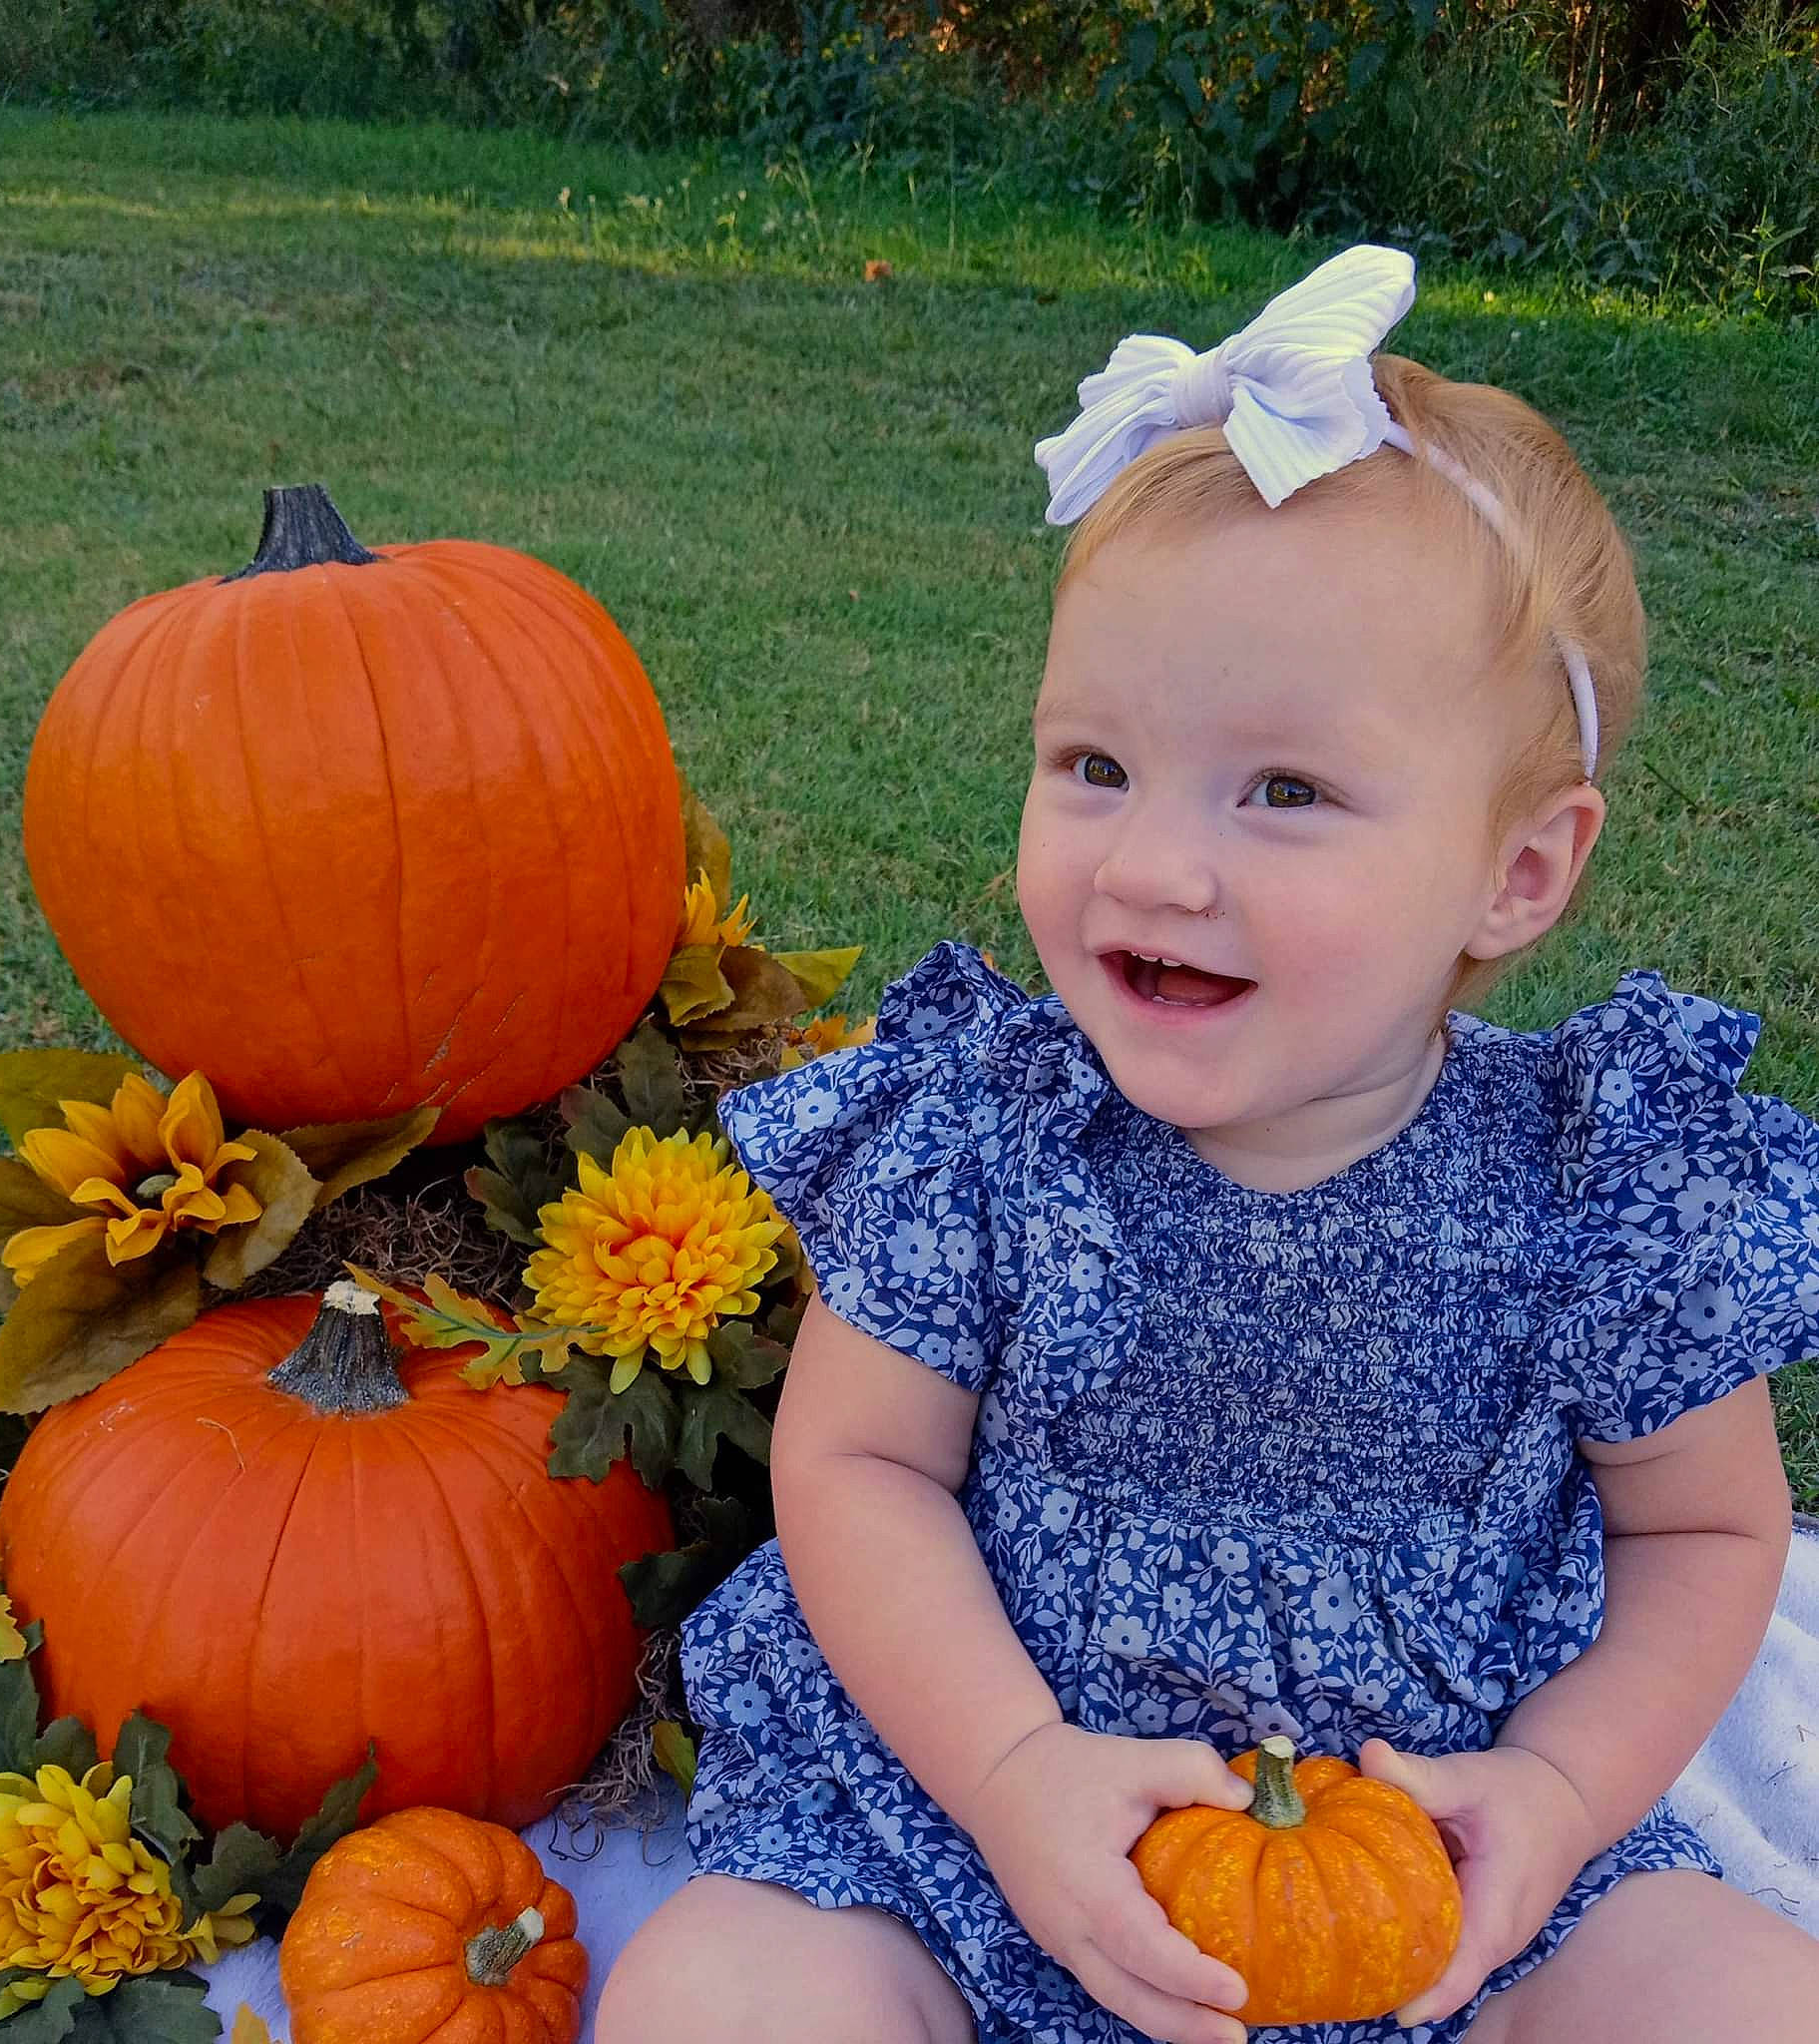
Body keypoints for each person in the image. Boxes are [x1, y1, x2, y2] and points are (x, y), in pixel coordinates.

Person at [595, 245, 1819, 2044]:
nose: (1155, 866)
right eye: (1096, 766)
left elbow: (1706, 1528)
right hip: (975, 1840)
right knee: (722, 2005)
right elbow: (858, 1465)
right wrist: (1010, 1772)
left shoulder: (1593, 1186)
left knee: (1748, 2007)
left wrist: (1559, 1796)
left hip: (1446, 1878)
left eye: (1286, 792)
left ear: (1518, 871)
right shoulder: (994, 1131)